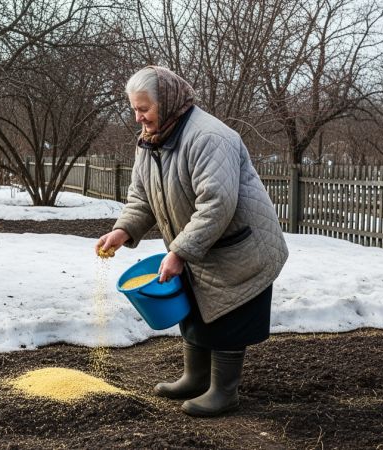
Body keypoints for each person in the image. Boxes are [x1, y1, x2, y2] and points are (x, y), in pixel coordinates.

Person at [95, 66, 288, 417]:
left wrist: (180, 251)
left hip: (239, 247)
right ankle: (195, 378)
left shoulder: (209, 138)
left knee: (230, 315)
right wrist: (123, 230)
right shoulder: (151, 141)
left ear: (167, 102)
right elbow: (141, 197)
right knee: (195, 308)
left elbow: (217, 205)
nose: (138, 118)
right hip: (202, 245)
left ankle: (224, 391)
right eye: (135, 109)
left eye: (144, 109)